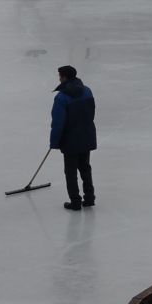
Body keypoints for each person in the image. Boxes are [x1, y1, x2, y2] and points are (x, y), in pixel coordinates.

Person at [50, 65, 97, 210]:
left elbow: (58, 123)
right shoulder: (87, 91)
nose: (59, 78)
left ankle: (75, 202)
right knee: (85, 168)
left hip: (70, 141)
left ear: (64, 77)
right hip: (86, 136)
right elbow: (91, 113)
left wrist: (54, 142)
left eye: (60, 75)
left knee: (70, 172)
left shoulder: (61, 97)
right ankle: (89, 198)